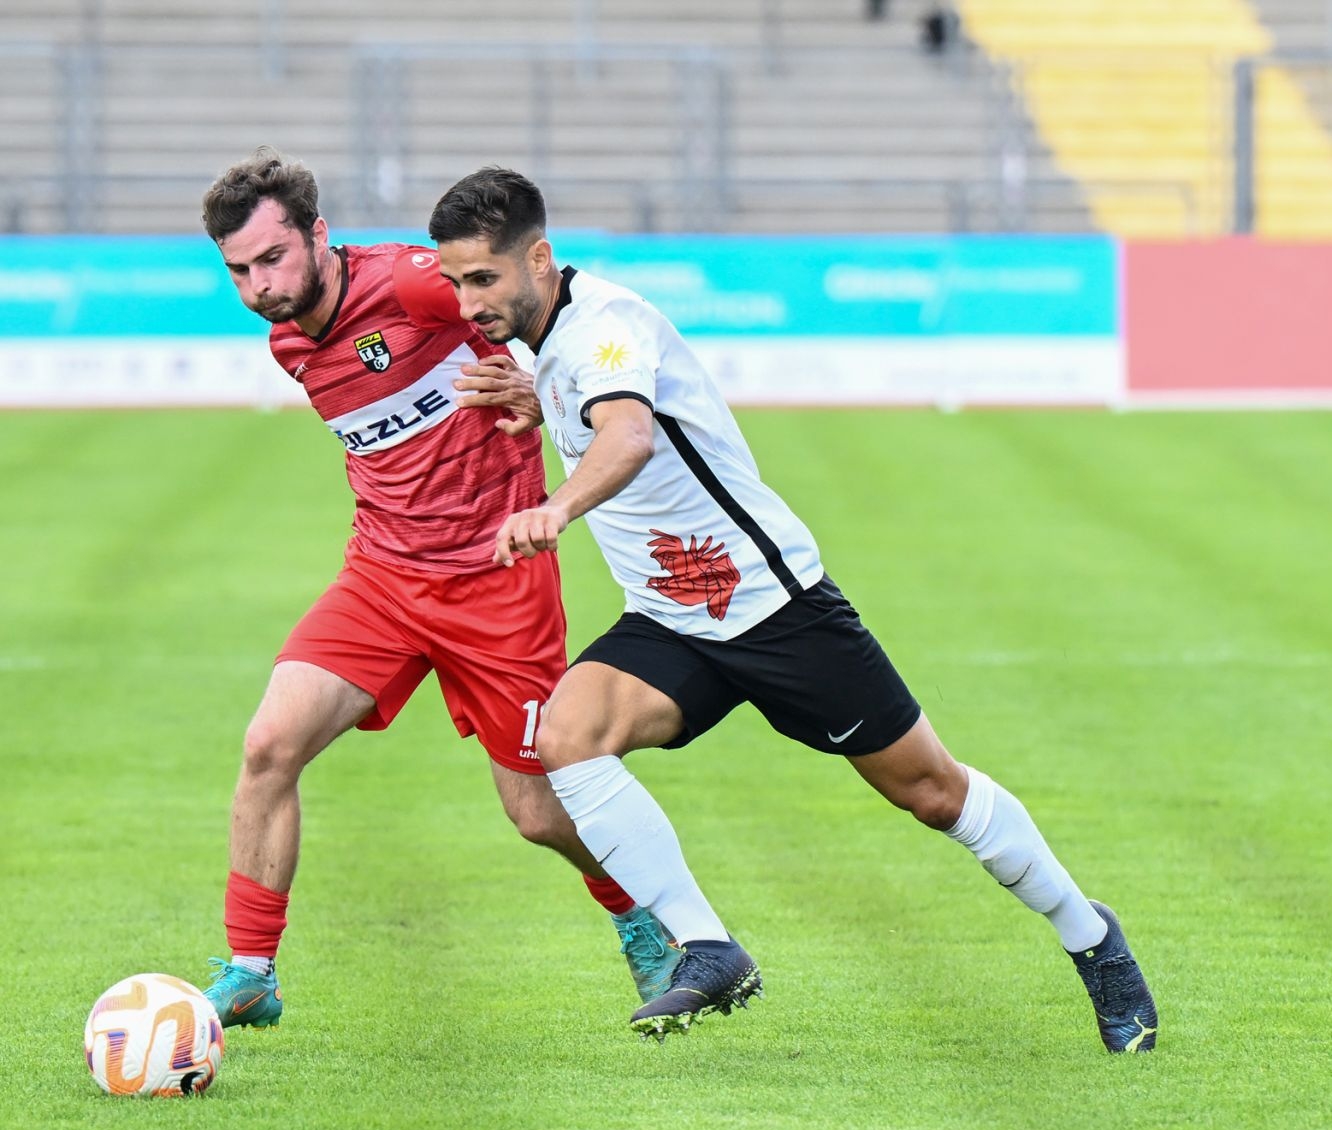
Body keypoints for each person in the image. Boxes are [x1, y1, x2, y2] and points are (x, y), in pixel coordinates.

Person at [426, 167, 1158, 1052]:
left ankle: (1092, 938)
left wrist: (557, 508)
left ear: (538, 259)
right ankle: (708, 947)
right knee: (567, 736)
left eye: (484, 278)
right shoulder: (552, 343)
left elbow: (630, 433)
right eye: (456, 282)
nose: (468, 303)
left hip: (775, 608)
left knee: (932, 792)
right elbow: (611, 414)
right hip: (673, 618)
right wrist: (541, 402)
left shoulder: (604, 328)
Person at [195, 148, 678, 1028]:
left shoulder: (412, 284)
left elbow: (537, 303)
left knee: (537, 812)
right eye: (240, 270)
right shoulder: (288, 342)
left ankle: (640, 916)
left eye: (273, 258)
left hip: (497, 579)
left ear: (318, 235)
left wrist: (542, 387)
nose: (260, 286)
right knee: (269, 745)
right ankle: (251, 970)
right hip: (382, 578)